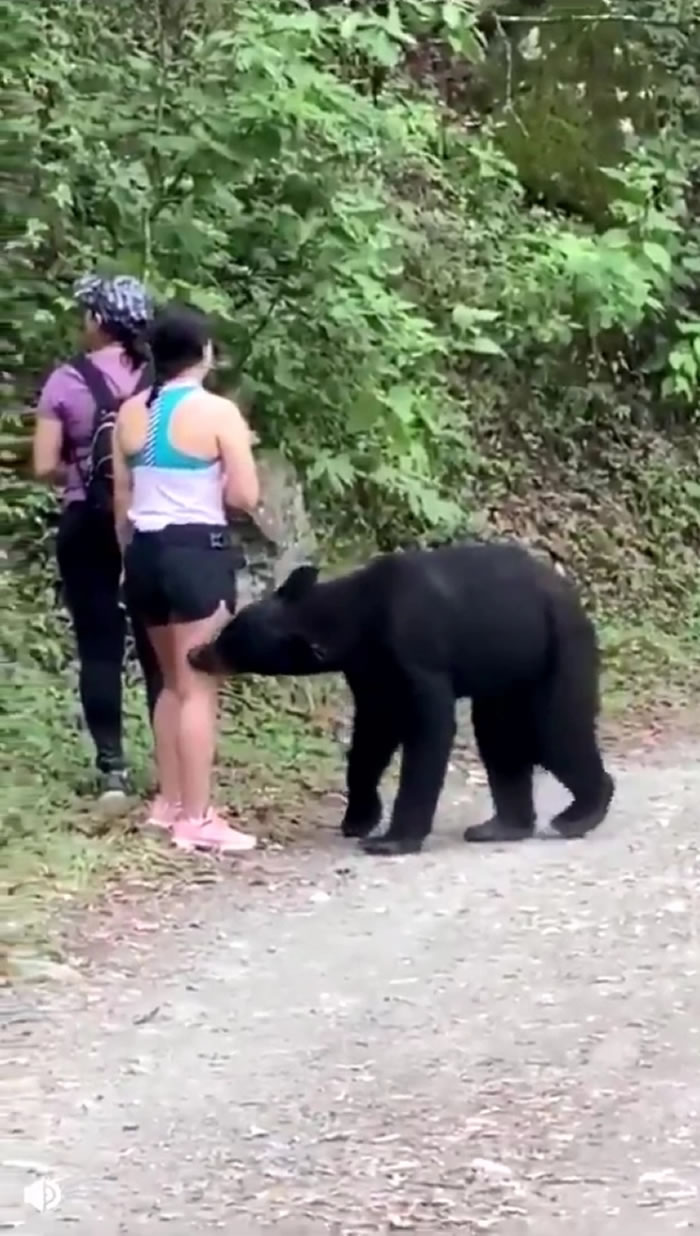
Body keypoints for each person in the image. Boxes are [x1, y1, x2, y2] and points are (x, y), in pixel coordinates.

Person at [112, 302, 260, 854]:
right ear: (203, 353)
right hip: (196, 552)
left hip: (144, 556)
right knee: (199, 687)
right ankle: (197, 819)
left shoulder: (129, 413)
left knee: (171, 683)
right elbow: (245, 495)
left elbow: (122, 502)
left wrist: (128, 559)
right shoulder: (218, 413)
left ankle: (168, 804)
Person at [32, 274, 163, 803]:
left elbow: (43, 464)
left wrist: (80, 466)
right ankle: (173, 771)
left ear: (100, 321)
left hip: (87, 521)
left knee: (100, 647)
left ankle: (113, 770)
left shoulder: (67, 380)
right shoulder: (161, 379)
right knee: (159, 646)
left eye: (87, 312)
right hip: (153, 522)